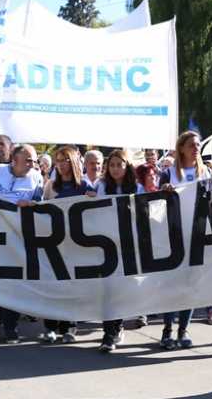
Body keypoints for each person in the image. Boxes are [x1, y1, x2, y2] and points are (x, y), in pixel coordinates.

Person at [0, 144, 44, 343]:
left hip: (20, 237)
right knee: (1, 280)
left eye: (34, 161)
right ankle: (1, 309)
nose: (32, 164)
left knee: (15, 282)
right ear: (14, 161)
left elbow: (40, 205)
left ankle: (11, 326)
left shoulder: (37, 178)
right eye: (28, 160)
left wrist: (32, 204)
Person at [159, 131, 212, 350]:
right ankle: (167, 330)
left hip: (197, 234)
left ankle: (183, 330)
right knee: (172, 284)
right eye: (191, 145)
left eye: (198, 145)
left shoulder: (206, 172)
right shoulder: (169, 173)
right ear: (181, 148)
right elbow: (156, 203)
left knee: (191, 285)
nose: (196, 148)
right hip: (173, 234)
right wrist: (163, 191)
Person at [39, 145, 92, 344]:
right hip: (54, 243)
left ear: (73, 161)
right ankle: (50, 327)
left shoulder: (84, 185)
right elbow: (42, 211)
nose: (60, 165)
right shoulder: (51, 186)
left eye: (65, 160)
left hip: (76, 244)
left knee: (72, 286)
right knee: (53, 286)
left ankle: (69, 326)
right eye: (58, 161)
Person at [90, 149, 137, 352]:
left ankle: (118, 326)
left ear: (127, 166)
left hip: (128, 245)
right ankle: (108, 334)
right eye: (112, 165)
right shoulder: (101, 186)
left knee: (121, 290)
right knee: (108, 290)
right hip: (106, 245)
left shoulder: (137, 187)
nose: (116, 169)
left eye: (120, 165)